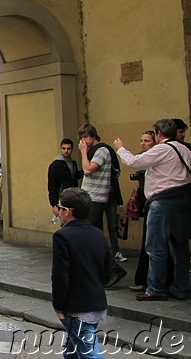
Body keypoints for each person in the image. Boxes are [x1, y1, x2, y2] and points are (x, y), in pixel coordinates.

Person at [114, 118, 191, 301]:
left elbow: (134, 161)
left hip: (162, 202)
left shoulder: (162, 149)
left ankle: (156, 288)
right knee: (179, 247)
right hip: (183, 201)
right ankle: (179, 288)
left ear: (158, 134)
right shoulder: (185, 149)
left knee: (156, 247)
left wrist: (120, 148)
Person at [52, 187, 110, 359]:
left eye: (59, 207)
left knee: (90, 353)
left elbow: (60, 276)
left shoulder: (62, 236)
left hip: (77, 307)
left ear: (67, 212)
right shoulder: (98, 234)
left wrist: (59, 306)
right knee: (72, 349)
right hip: (97, 302)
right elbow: (108, 271)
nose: (58, 211)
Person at [77, 124, 127, 286]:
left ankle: (112, 268)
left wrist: (83, 152)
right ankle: (104, 271)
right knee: (95, 236)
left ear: (93, 136)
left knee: (87, 234)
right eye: (81, 138)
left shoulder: (102, 150)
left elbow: (88, 170)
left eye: (85, 137)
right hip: (92, 198)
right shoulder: (96, 151)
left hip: (96, 199)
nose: (83, 141)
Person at [128, 131, 156, 292]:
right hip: (145, 199)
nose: (143, 143)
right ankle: (144, 279)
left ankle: (149, 280)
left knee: (152, 242)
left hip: (154, 200)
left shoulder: (156, 156)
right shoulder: (141, 157)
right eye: (141, 140)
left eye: (147, 140)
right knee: (148, 240)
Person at [48, 138, 82, 218]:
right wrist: (54, 204)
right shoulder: (55, 165)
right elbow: (51, 185)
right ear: (61, 149)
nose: (66, 151)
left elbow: (74, 176)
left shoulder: (73, 163)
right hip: (62, 198)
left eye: (68, 148)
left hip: (73, 197)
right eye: (64, 148)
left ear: (72, 149)